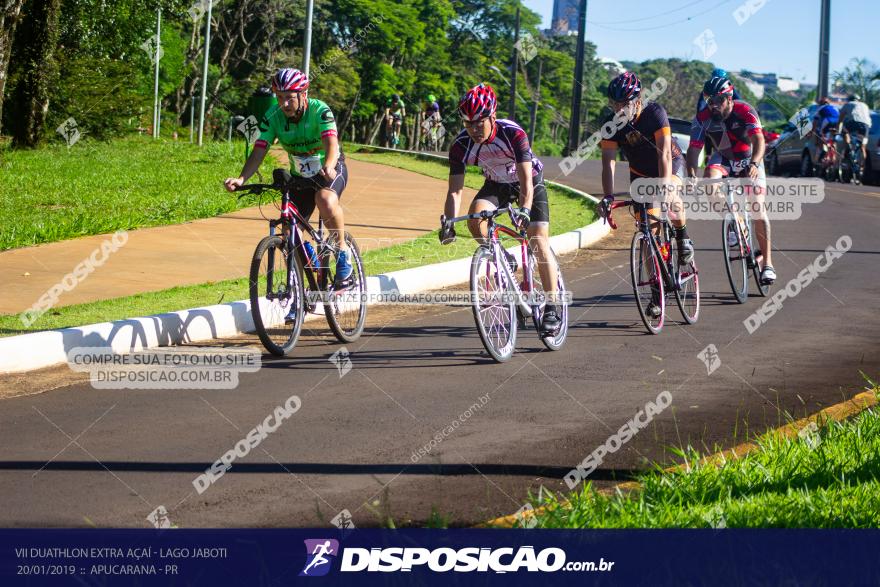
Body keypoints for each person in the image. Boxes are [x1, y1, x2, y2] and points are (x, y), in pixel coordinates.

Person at [440, 83, 561, 334]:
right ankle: (502, 257)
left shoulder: (512, 133)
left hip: (528, 183)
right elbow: (455, 191)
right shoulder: (461, 145)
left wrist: (525, 211)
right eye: (467, 123)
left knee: (537, 237)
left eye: (479, 122)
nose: (473, 129)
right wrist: (449, 223)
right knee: (475, 218)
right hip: (496, 184)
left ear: (492, 116)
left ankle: (552, 305)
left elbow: (526, 179)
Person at [224, 68, 352, 300]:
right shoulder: (273, 115)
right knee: (289, 230)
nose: (284, 103)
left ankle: (342, 252)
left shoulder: (320, 110)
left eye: (289, 97)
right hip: (301, 176)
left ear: (303, 94)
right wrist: (242, 178)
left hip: (329, 169)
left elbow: (331, 144)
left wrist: (330, 165)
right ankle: (305, 279)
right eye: (279, 97)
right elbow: (259, 150)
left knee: (324, 198)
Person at [597, 72, 695, 319]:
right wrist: (608, 197)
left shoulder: (655, 113)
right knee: (647, 232)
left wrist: (664, 187)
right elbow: (608, 163)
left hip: (670, 163)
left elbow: (663, 154)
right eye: (615, 104)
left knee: (671, 195)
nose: (619, 108)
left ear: (637, 100)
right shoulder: (611, 125)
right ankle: (656, 293)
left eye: (624, 104)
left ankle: (683, 237)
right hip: (640, 174)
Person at [686, 76, 775, 285]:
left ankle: (768, 264)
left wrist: (754, 164)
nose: (714, 105)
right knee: (709, 181)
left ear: (729, 97)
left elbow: (759, 140)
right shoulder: (702, 117)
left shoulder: (745, 110)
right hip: (724, 158)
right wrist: (691, 175)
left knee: (758, 209)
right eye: (710, 101)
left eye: (718, 100)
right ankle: (735, 223)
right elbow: (694, 149)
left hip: (749, 159)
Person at [838, 94, 873, 171]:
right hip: (865, 126)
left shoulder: (847, 104)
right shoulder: (865, 105)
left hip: (853, 123)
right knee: (863, 147)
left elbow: (840, 119)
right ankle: (861, 167)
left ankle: (848, 145)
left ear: (849, 99)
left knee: (844, 130)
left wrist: (838, 130)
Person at [811, 96, 839, 167]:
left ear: (820, 104)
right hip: (837, 122)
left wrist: (812, 132)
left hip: (828, 121)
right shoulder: (835, 107)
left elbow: (815, 122)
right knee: (833, 139)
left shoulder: (820, 108)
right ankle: (833, 158)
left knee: (821, 136)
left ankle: (824, 150)